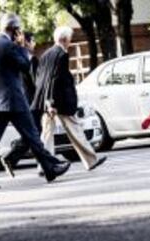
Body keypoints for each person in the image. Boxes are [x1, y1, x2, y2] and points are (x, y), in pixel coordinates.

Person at [0, 14, 70, 191]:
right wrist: (23, 47)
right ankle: (51, 167)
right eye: (18, 30)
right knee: (33, 136)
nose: (20, 33)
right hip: (13, 101)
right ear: (14, 30)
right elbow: (25, 66)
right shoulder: (10, 46)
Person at [31, 26, 107, 171]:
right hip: (59, 102)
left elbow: (40, 79)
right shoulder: (61, 54)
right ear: (64, 39)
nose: (70, 42)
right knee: (74, 129)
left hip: (47, 101)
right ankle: (90, 160)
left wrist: (46, 101)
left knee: (47, 134)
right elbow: (55, 79)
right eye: (70, 39)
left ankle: (43, 166)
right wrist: (52, 103)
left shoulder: (46, 54)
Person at [1, 32, 60, 176]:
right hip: (33, 103)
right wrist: (47, 102)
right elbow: (37, 84)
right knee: (33, 135)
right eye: (32, 41)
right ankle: (13, 157)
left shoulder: (15, 59)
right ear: (26, 42)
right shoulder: (31, 60)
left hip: (23, 102)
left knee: (33, 135)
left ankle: (43, 165)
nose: (34, 44)